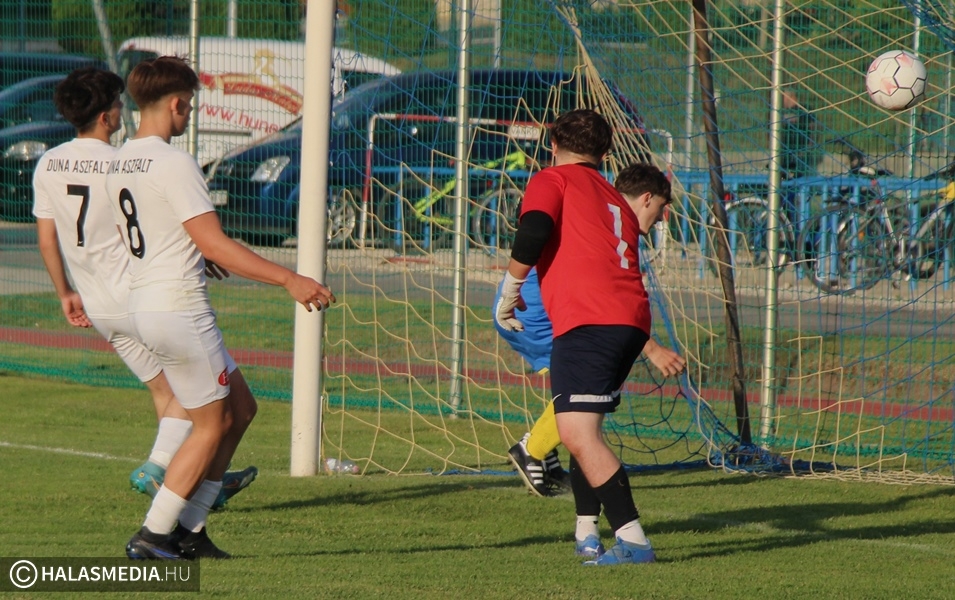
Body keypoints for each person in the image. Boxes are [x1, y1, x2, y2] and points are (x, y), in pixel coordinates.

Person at [105, 56, 335, 560]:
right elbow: (215, 243)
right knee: (209, 426)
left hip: (146, 304)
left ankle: (191, 531)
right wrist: (290, 278)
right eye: (190, 105)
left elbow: (152, 232)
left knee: (241, 409)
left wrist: (194, 249)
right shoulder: (174, 161)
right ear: (176, 103)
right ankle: (153, 535)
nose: (189, 113)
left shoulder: (119, 160)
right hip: (179, 308)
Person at [32, 67, 256, 516]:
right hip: (139, 294)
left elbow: (46, 237)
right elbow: (148, 222)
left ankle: (188, 474)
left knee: (167, 392)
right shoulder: (121, 162)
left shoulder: (48, 162)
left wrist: (65, 292)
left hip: (97, 302)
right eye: (118, 105)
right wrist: (200, 248)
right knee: (198, 396)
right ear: (106, 116)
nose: (123, 112)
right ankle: (164, 470)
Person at [494, 109, 684, 566]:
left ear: (553, 145)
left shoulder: (552, 178)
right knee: (582, 429)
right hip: (630, 321)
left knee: (578, 433)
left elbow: (534, 228)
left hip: (589, 322)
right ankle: (587, 533)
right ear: (605, 154)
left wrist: (511, 289)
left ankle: (633, 541)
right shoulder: (613, 196)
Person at [499, 267, 685, 500]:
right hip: (535, 311)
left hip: (527, 304)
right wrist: (652, 349)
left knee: (585, 384)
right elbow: (606, 298)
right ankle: (532, 451)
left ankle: (542, 449)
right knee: (590, 383)